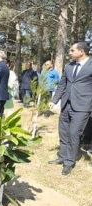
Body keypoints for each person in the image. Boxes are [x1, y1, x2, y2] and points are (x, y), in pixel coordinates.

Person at [48, 41, 92, 176]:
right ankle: (62, 156)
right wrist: (55, 100)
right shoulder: (68, 67)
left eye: (72, 50)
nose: (70, 52)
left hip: (82, 106)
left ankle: (69, 162)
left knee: (74, 134)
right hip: (66, 104)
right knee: (63, 132)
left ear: (81, 51)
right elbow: (62, 84)